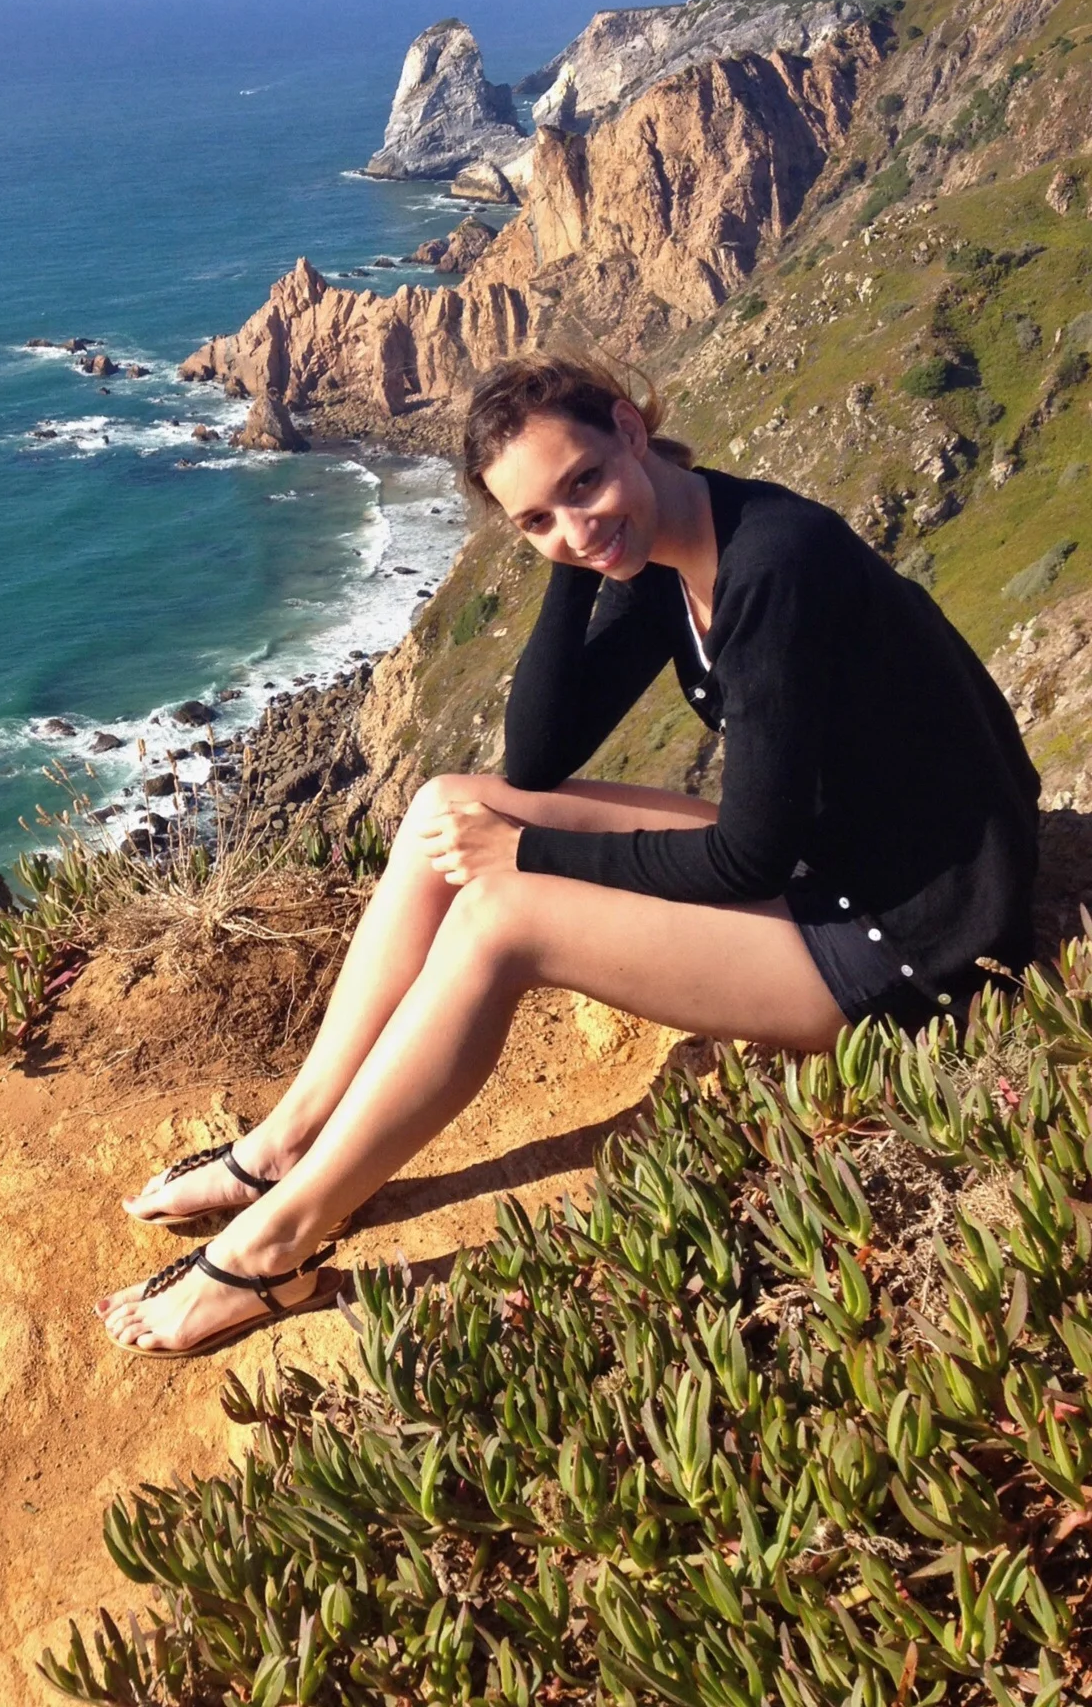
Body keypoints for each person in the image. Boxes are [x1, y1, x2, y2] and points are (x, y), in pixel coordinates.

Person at [98, 349, 1040, 1355]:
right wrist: (576, 558)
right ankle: (277, 1148)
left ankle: (276, 1246)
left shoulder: (772, 562)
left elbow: (749, 858)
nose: (576, 525)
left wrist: (529, 853)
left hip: (913, 929)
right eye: (536, 518)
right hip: (833, 859)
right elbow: (540, 755)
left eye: (584, 481)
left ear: (632, 429)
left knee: (504, 913)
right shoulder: (667, 543)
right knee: (441, 805)